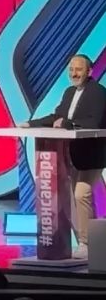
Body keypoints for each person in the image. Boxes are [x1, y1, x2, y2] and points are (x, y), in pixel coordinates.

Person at [20, 54, 105, 258]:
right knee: (76, 197)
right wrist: (31, 124)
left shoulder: (98, 92)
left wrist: (67, 124)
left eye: (78, 69)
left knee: (81, 194)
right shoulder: (69, 92)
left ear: (89, 71)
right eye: (71, 70)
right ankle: (89, 241)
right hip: (73, 154)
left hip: (94, 154)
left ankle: (86, 243)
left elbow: (93, 122)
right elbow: (57, 117)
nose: (74, 74)